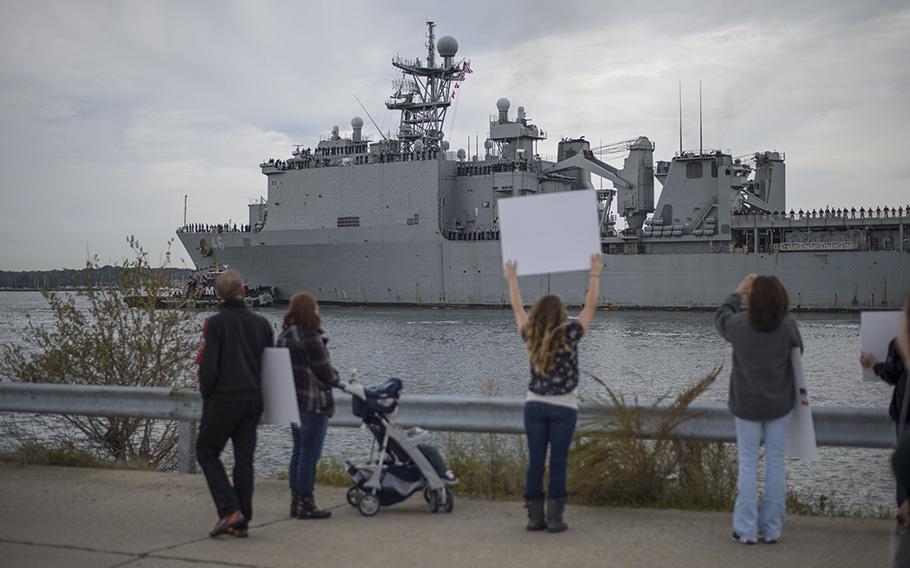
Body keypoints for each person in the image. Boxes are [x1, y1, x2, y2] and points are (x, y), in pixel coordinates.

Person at [504, 254, 602, 533]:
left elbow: (517, 310)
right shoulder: (570, 334)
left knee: (536, 463)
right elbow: (590, 306)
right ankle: (556, 519)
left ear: (538, 314)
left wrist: (512, 279)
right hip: (564, 409)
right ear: (560, 314)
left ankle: (535, 518)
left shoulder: (530, 334)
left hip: (534, 407)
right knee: (558, 463)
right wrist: (594, 273)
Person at [715, 274, 803, 545]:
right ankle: (773, 528)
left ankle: (746, 529)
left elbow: (720, 317)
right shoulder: (788, 326)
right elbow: (799, 352)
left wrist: (738, 291)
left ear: (752, 298)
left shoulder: (739, 325)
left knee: (748, 465)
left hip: (746, 406)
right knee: (776, 465)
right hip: (779, 405)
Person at [196, 270, 274, 538]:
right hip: (252, 401)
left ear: (218, 294)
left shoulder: (215, 324)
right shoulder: (263, 324)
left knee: (206, 451)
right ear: (243, 291)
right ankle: (242, 518)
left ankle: (229, 510)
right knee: (244, 461)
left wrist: (207, 397)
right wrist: (265, 405)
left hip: (223, 400)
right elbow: (270, 369)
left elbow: (207, 369)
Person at [278, 292, 360, 519]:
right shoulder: (310, 336)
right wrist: (344, 382)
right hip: (312, 403)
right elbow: (325, 372)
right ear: (310, 311)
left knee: (298, 451)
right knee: (310, 453)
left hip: (291, 402)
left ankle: (295, 501)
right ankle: (307, 502)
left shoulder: (284, 336)